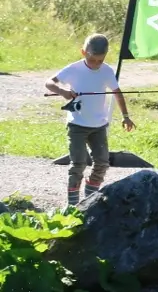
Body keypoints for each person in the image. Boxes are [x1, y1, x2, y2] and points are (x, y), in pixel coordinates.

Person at [45, 33, 136, 204]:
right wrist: (63, 92)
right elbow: (49, 83)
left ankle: (89, 200)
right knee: (78, 164)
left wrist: (126, 116)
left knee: (102, 163)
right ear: (83, 52)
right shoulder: (74, 69)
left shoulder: (107, 71)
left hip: (99, 126)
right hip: (77, 125)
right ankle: (72, 205)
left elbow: (117, 94)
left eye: (100, 61)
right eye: (92, 59)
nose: (95, 64)